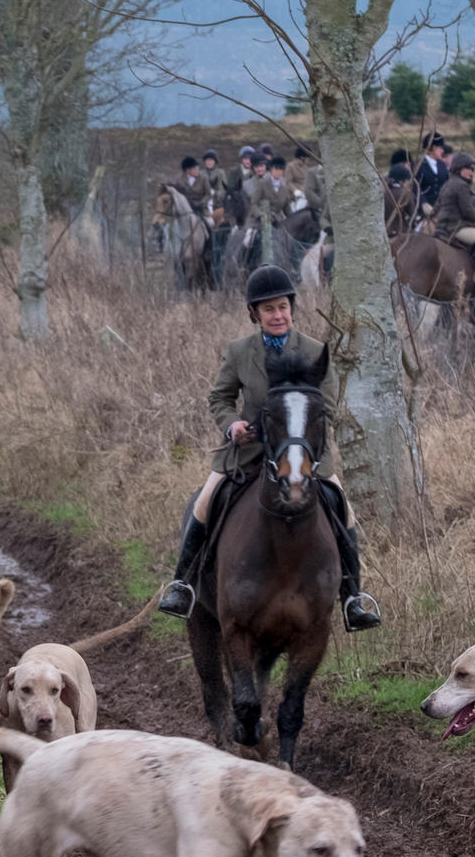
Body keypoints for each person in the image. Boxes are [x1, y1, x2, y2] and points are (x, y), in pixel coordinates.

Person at [154, 266, 380, 633]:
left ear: (292, 308)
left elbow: (329, 406)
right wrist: (233, 425)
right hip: (246, 454)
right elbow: (220, 397)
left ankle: (353, 597)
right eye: (269, 310)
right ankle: (183, 583)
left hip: (304, 456)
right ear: (255, 314)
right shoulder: (240, 352)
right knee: (204, 502)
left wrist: (302, 433)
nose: (277, 315)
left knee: (343, 507)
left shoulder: (314, 352)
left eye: (282, 307)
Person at [413, 133, 451, 215]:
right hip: (422, 211)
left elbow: (447, 185)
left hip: (441, 210)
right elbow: (415, 186)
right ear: (433, 147)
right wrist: (423, 203)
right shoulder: (418, 164)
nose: (443, 150)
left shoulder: (442, 165)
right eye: (441, 147)